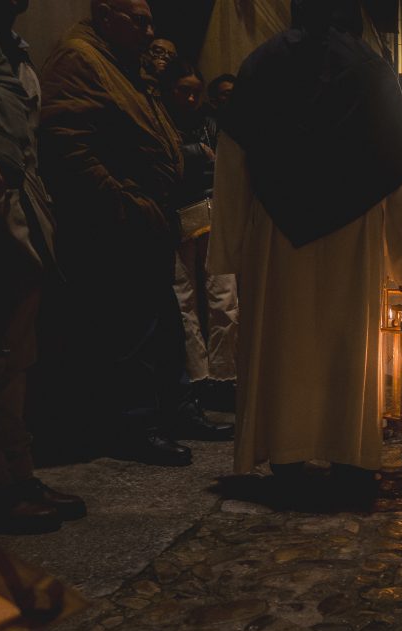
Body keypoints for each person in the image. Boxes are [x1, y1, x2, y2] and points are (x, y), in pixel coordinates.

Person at [208, 0, 402, 504]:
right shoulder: (372, 71)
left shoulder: (260, 63)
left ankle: (286, 451)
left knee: (284, 338)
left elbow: (232, 159)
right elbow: (400, 168)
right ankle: (348, 453)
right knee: (344, 343)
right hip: (351, 228)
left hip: (276, 225)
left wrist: (227, 246)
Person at [40, 0, 232, 468]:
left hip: (148, 219)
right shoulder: (80, 60)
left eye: (150, 21)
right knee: (131, 330)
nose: (149, 31)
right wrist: (129, 202)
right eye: (138, 20)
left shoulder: (126, 64)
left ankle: (176, 409)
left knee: (164, 322)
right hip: (116, 222)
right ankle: (136, 424)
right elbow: (69, 144)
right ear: (106, 15)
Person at [0, 0, 86, 533]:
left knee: (15, 355)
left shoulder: (9, 46)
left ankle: (18, 472)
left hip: (18, 209)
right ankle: (0, 483)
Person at [162, 58, 238, 411]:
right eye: (184, 92)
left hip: (211, 209)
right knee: (185, 299)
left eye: (195, 93)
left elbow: (219, 165)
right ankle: (197, 376)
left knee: (223, 296)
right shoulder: (161, 121)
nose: (191, 100)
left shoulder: (211, 123)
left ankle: (224, 376)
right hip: (177, 213)